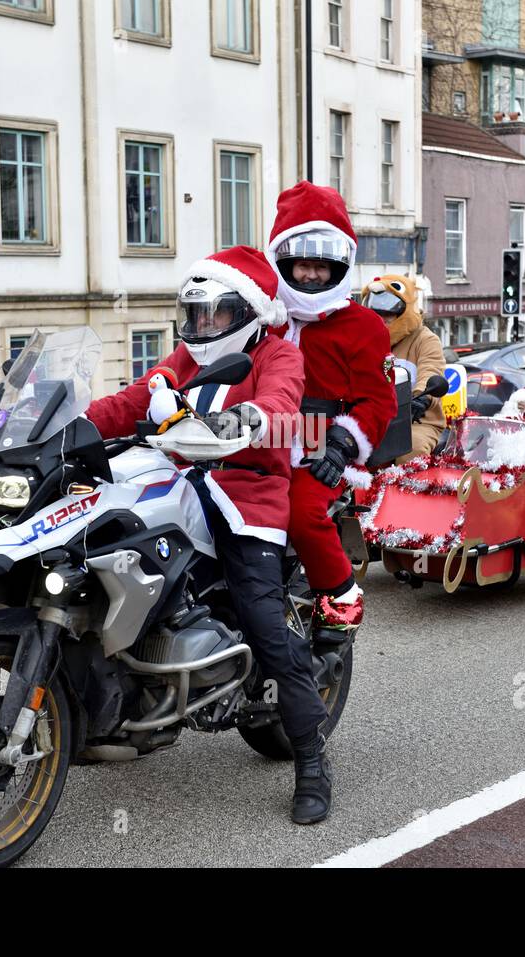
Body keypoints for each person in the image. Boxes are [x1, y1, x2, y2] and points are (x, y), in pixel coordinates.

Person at [84, 245, 333, 825]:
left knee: (266, 627)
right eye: (194, 314)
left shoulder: (278, 354)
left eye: (213, 314)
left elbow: (281, 405)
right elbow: (135, 398)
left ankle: (313, 762)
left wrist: (249, 421)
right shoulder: (187, 356)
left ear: (245, 312)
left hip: (247, 497)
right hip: (176, 483)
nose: (202, 327)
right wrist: (71, 425)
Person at [264, 182, 397, 645]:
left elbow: (379, 402)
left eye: (323, 266)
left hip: (323, 447)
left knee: (301, 513)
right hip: (262, 440)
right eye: (304, 264)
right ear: (284, 262)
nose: (313, 276)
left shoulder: (363, 325)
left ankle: (341, 596)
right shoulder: (266, 317)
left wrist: (342, 447)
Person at [363, 274, 446, 463]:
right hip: (373, 419)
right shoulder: (363, 341)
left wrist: (423, 397)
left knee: (410, 450)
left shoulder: (425, 340)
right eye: (376, 315)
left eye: (388, 315)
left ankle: (410, 492)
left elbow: (431, 369)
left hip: (416, 421)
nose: (381, 320)